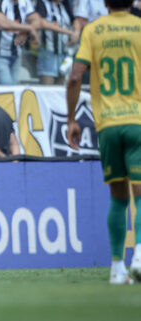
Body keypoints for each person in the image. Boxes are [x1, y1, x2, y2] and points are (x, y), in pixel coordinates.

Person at [66, 0, 141, 285]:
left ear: (105, 3)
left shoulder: (93, 30)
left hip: (107, 124)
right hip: (137, 120)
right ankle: (140, 256)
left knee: (118, 197)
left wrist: (72, 120)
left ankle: (117, 268)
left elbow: (75, 77)